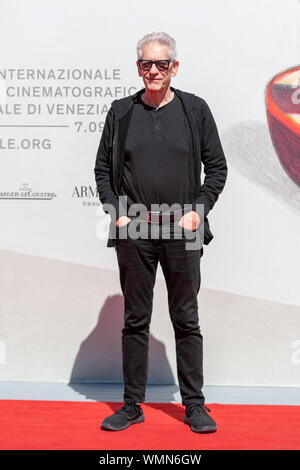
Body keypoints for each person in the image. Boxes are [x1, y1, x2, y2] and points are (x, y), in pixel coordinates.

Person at [94, 31, 227, 433]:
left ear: (174, 67)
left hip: (183, 225)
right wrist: (116, 211)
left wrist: (198, 212)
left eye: (161, 64)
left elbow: (216, 168)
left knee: (186, 318)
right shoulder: (120, 112)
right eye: (146, 64)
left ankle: (194, 405)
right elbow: (102, 170)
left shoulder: (195, 110)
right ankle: (132, 404)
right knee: (136, 319)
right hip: (135, 224)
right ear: (138, 68)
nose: (154, 71)